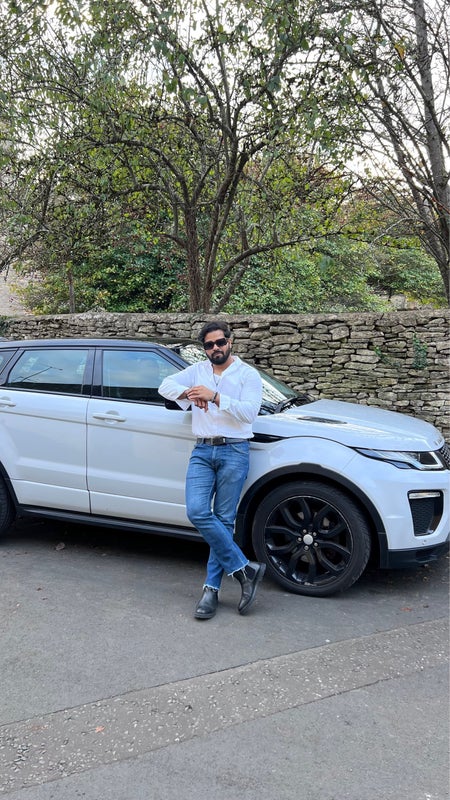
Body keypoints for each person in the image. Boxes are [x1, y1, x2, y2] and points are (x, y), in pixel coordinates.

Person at [158, 320, 265, 620]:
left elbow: (249, 413)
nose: (215, 348)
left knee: (224, 519)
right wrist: (192, 393)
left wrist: (215, 397)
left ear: (230, 342)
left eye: (220, 342)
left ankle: (211, 589)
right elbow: (164, 386)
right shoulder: (198, 371)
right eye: (209, 345)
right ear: (204, 348)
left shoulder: (247, 374)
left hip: (235, 450)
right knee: (197, 511)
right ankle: (244, 570)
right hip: (203, 450)